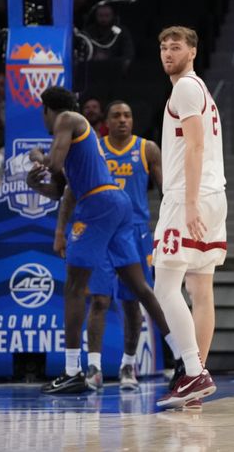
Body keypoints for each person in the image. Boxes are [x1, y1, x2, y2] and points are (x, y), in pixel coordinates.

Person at [25, 86, 174, 395]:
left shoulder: (67, 118)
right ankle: (185, 357)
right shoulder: (81, 138)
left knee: (75, 288)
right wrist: (35, 183)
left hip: (99, 208)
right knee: (136, 288)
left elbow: (52, 164)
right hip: (115, 206)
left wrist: (37, 156)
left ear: (47, 110)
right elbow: (62, 190)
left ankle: (72, 371)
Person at [53, 101, 163, 391]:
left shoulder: (147, 149)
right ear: (107, 121)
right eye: (116, 116)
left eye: (128, 115)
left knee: (133, 301)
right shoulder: (94, 147)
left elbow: (167, 191)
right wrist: (60, 231)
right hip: (99, 225)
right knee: (99, 299)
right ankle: (95, 367)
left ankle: (128, 364)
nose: (122, 120)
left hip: (135, 230)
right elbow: (70, 191)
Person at [152, 26, 227, 409]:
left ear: (193, 51)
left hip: (188, 196)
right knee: (200, 291)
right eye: (163, 47)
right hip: (214, 194)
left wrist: (192, 202)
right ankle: (195, 377)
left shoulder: (185, 87)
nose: (168, 53)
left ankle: (194, 371)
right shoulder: (201, 91)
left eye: (175, 47)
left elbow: (196, 145)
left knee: (164, 288)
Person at [84, 4, 136, 70]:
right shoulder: (88, 32)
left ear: (113, 16)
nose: (103, 19)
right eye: (100, 15)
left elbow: (128, 55)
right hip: (92, 68)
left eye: (107, 15)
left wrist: (109, 59)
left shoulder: (121, 32)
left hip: (115, 69)